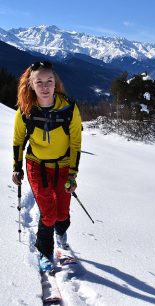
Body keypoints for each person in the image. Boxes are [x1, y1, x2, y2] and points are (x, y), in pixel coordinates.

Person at [12, 61, 82, 272]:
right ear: (31, 84)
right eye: (39, 82)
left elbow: (76, 142)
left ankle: (61, 233)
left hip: (63, 166)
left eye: (49, 81)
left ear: (55, 82)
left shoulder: (69, 107)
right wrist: (16, 166)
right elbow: (18, 139)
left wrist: (72, 173)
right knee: (48, 213)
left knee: (61, 213)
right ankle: (45, 252)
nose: (45, 86)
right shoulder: (26, 109)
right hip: (37, 165)